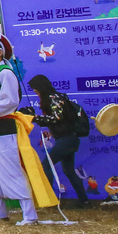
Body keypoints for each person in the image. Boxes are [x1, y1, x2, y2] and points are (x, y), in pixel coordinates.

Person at [0, 26, 51, 225]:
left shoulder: (5, 73)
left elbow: (10, 102)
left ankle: (29, 215)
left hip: (4, 129)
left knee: (11, 169)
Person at [28, 73, 89, 206]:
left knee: (46, 165)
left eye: (35, 89)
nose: (34, 91)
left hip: (67, 140)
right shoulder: (55, 98)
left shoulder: (53, 98)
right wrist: (50, 131)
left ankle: (48, 199)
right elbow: (61, 120)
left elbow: (57, 118)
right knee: (69, 171)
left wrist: (35, 118)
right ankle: (83, 200)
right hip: (68, 139)